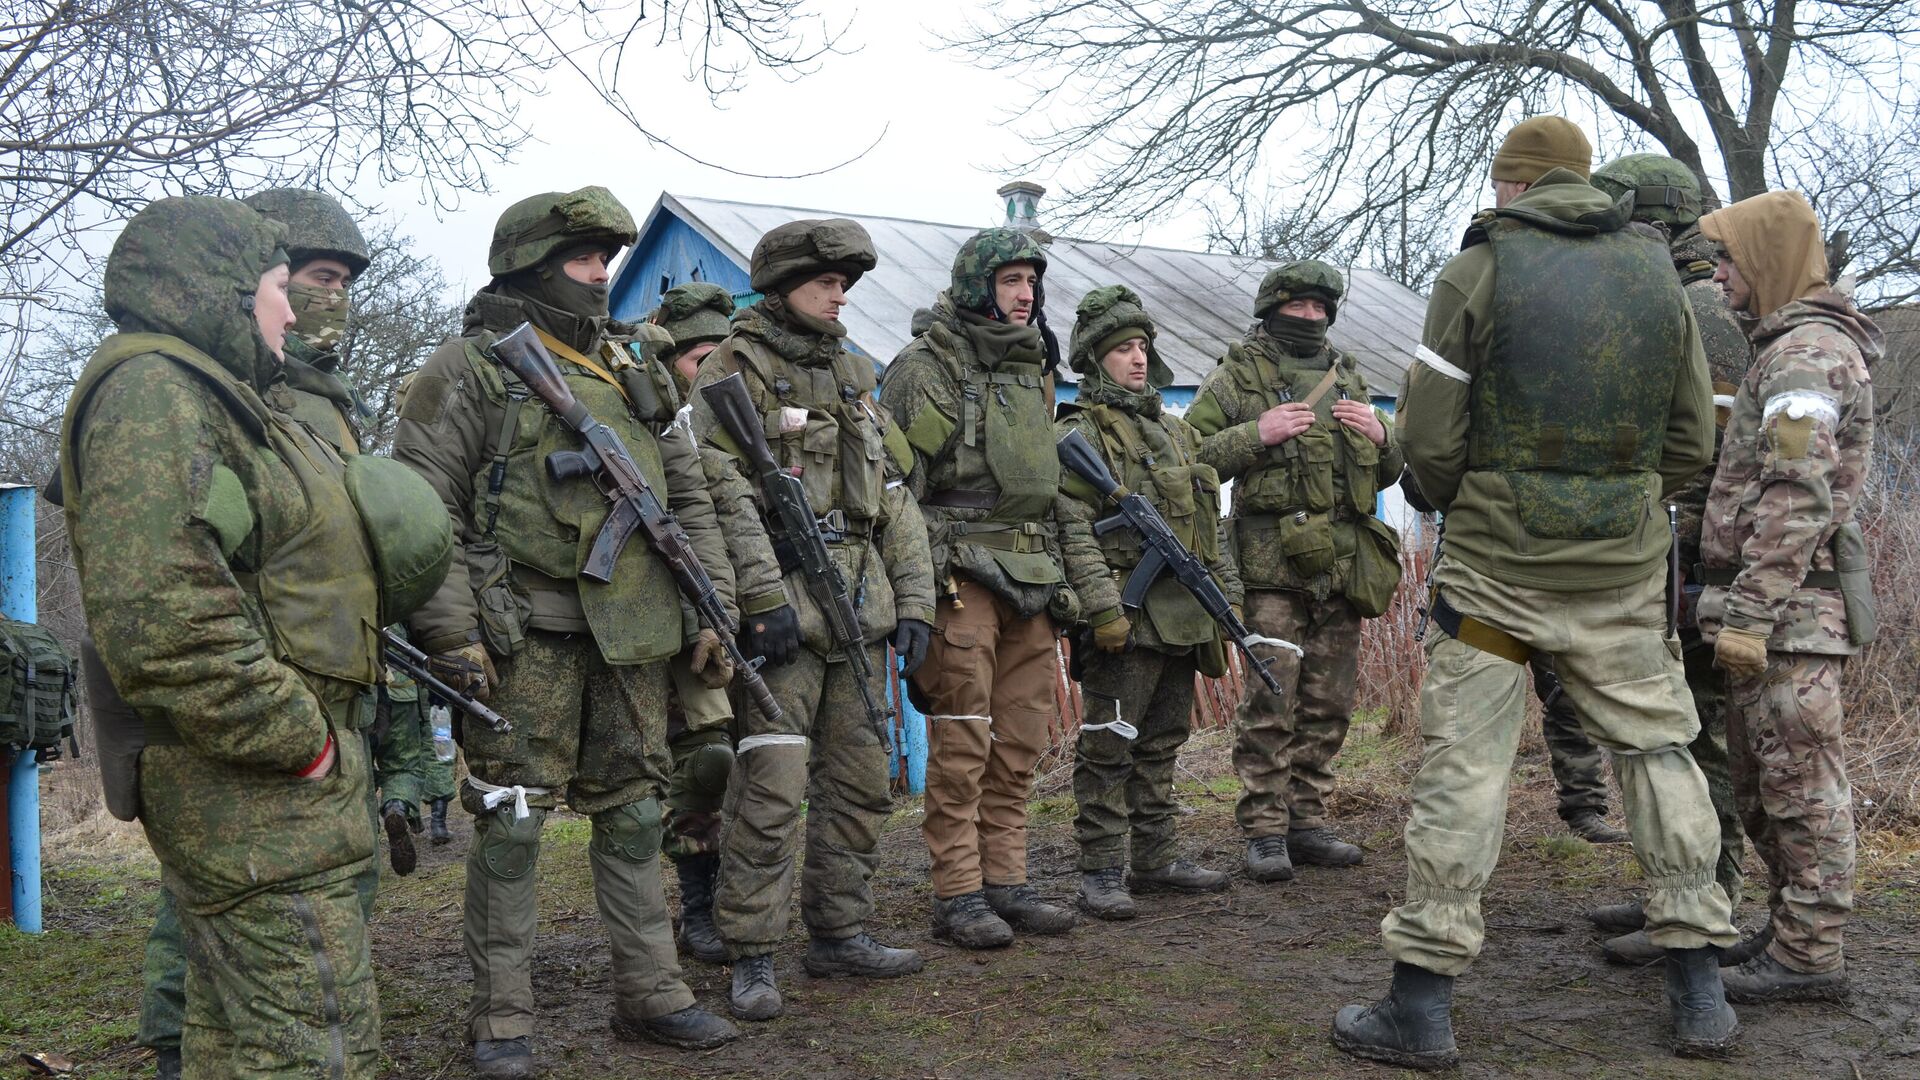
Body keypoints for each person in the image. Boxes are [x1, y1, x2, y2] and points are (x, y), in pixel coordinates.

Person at [1331, 116, 1739, 1069]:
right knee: (1658, 753)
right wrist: (1628, 508)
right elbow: (1691, 440)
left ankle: (1422, 1007)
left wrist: (1455, 500)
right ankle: (1701, 994)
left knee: (1465, 771)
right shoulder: (1659, 278)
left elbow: (1427, 440)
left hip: (1494, 580)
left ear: (1511, 186)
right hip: (1622, 575)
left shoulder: (1480, 269)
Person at [63, 196, 422, 1078]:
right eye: (277, 287)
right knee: (317, 1047)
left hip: (261, 790)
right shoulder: (156, 391)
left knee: (234, 1042)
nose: (294, 312)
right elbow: (163, 611)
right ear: (225, 292)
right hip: (255, 791)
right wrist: (299, 744)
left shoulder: (219, 397)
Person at [393, 187, 740, 1078]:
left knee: (634, 813)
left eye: (605, 260)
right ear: (535, 266)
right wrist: (451, 636)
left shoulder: (632, 366)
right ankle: (502, 1017)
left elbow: (685, 494)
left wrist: (711, 609)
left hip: (632, 636)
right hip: (523, 638)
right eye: (584, 260)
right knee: (510, 824)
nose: (601, 276)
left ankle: (653, 992)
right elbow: (423, 512)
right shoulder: (467, 368)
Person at [688, 218, 936, 1020]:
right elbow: (716, 497)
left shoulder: (856, 374)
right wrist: (759, 603)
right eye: (826, 282)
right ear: (784, 283)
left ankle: (840, 931)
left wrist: (916, 602)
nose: (839, 296)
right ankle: (751, 952)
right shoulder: (734, 367)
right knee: (769, 788)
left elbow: (895, 497)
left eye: (845, 285)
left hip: (859, 611)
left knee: (861, 787)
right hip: (783, 615)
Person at [1694, 190, 1879, 1003]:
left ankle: (1811, 954)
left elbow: (1796, 495)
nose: (1720, 273)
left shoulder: (1804, 355)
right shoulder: (1784, 347)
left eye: (1730, 257)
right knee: (1768, 783)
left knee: (1802, 786)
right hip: (1780, 611)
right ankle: (1792, 927)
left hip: (1790, 616)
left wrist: (1750, 612)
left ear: (1766, 259)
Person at [879, 228, 1081, 948]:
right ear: (976, 287)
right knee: (963, 744)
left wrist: (1071, 580)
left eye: (1031, 281)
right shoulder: (923, 367)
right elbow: (896, 492)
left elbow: (1048, 490)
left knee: (1020, 742)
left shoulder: (1035, 370)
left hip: (1030, 575)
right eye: (1009, 281)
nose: (1025, 294)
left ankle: (1007, 880)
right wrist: (916, 591)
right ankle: (959, 894)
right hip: (958, 575)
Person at [1583, 154, 1757, 964]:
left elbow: (1709, 452)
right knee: (1670, 727)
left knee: (1694, 732)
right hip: (1680, 550)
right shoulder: (1681, 295)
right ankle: (1680, 884)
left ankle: (1707, 901)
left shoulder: (1702, 308)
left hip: (1698, 556)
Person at [1186, 260, 1403, 882]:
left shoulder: (1349, 376)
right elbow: (1190, 456)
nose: (1309, 317)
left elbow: (1387, 473)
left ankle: (1308, 819)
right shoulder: (1236, 375)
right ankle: (1263, 829)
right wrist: (1256, 432)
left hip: (1343, 562)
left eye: (1319, 308)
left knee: (1329, 702)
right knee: (1271, 697)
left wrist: (1384, 436)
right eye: (1298, 306)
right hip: (1270, 567)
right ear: (1271, 308)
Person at [1055, 286, 1240, 918]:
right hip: (1127, 619)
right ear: (1095, 359)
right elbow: (1073, 529)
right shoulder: (1081, 434)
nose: (1137, 359)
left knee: (1164, 738)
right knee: (1109, 740)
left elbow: (1207, 530)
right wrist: (1104, 608)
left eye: (1142, 347)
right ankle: (1101, 870)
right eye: (1122, 349)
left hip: (1183, 615)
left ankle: (1156, 858)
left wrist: (1228, 603)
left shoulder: (1178, 434)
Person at [638, 282, 769, 967]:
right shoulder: (654, 424)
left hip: (763, 618)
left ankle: (739, 902)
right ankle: (697, 908)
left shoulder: (748, 427)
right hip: (684, 620)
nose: (710, 373)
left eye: (722, 358)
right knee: (705, 761)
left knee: (757, 765)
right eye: (696, 359)